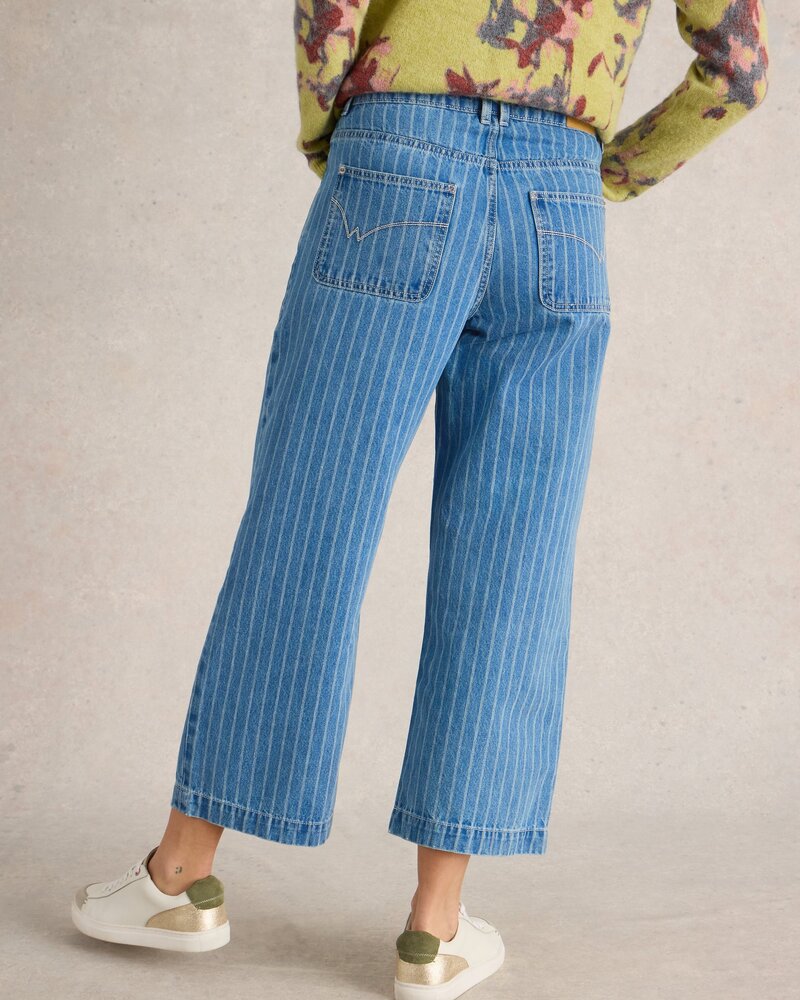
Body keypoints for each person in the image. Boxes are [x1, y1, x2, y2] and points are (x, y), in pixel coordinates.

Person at [72, 2, 770, 997]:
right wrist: (605, 169)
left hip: (399, 147)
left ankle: (179, 877)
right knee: (511, 553)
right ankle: (433, 930)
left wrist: (335, 131)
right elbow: (738, 68)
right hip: (560, 193)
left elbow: (331, 10)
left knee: (309, 515)